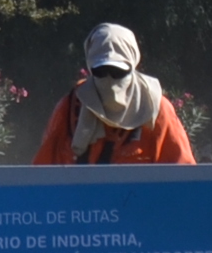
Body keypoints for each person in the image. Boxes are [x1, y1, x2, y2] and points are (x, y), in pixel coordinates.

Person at [32, 23, 196, 164]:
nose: (109, 80)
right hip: (78, 200)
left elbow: (182, 175)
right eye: (101, 71)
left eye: (117, 72)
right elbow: (42, 173)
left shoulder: (155, 109)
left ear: (132, 65)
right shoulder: (69, 108)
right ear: (90, 68)